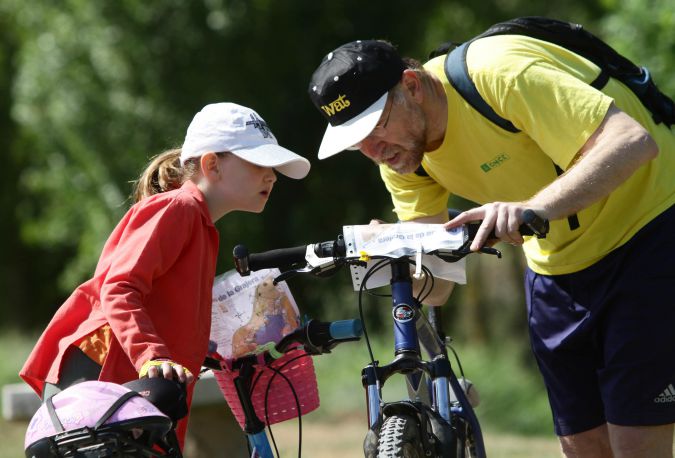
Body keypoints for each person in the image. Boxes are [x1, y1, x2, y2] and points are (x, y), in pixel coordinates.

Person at [307, 36, 675, 457]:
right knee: (583, 446)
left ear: (411, 85)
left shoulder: (499, 73)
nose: (373, 151)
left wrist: (534, 207)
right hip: (556, 265)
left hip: (646, 234)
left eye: (374, 127)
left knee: (636, 443)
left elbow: (632, 141)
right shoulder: (403, 155)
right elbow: (437, 285)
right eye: (356, 142)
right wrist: (393, 253)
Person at [20, 102, 310, 448]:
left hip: (133, 381)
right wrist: (152, 355)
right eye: (258, 162)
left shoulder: (203, 227)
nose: (272, 175)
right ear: (212, 165)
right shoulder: (179, 208)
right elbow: (119, 287)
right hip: (100, 374)